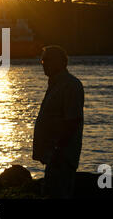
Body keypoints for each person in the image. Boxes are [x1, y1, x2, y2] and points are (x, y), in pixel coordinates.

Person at [32, 45, 84, 198]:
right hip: (54, 157)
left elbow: (72, 121)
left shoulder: (70, 85)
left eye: (47, 60)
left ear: (61, 62)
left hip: (61, 158)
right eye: (42, 60)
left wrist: (57, 150)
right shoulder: (55, 84)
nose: (44, 63)